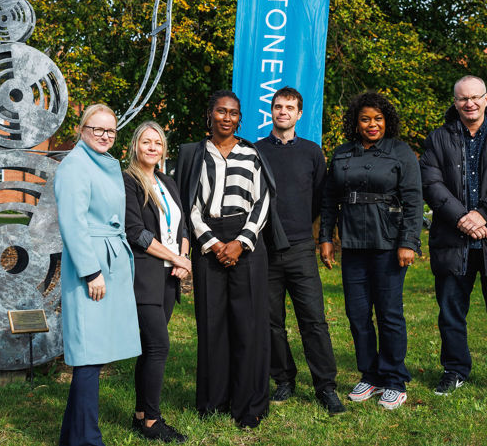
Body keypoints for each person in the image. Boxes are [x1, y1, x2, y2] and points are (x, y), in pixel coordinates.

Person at [175, 90, 288, 429]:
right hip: (207, 241)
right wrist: (210, 242)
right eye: (221, 111)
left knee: (248, 325)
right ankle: (213, 401)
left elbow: (263, 201)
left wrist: (241, 241)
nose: (227, 117)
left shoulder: (251, 154)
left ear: (240, 118)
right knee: (212, 324)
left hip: (247, 243)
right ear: (209, 115)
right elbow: (188, 204)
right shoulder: (194, 154)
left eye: (233, 113)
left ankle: (249, 404)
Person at [419, 75, 487, 403]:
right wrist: (462, 219)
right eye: (462, 98)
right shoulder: (438, 138)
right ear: (455, 102)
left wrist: (481, 213)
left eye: (475, 97)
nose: (469, 103)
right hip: (453, 240)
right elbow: (431, 183)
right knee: (451, 312)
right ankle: (454, 370)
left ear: (486, 99)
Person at [318, 92, 423, 410]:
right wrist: (326, 238)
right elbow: (328, 199)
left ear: (387, 121)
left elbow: (414, 201)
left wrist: (408, 242)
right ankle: (371, 374)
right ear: (356, 122)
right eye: (366, 118)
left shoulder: (400, 152)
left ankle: (394, 379)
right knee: (358, 314)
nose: (372, 124)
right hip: (352, 245)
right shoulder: (342, 153)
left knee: (389, 314)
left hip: (389, 245)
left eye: (378, 118)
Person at [54, 104, 141, 446]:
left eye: (111, 130)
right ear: (82, 129)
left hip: (108, 260)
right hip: (91, 265)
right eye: (98, 129)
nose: (105, 136)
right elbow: (72, 223)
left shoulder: (102, 162)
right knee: (89, 354)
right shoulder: (75, 165)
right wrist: (92, 272)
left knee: (94, 355)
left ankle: (72, 437)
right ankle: (88, 440)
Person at [254, 87, 344, 415]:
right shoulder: (256, 150)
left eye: (290, 108)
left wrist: (322, 240)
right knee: (270, 322)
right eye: (278, 106)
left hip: (301, 248)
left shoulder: (312, 152)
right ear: (271, 110)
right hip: (264, 250)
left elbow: (322, 199)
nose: (283, 112)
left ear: (299, 113)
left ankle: (326, 387)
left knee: (314, 320)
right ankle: (284, 378)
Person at [123, 121, 192, 443]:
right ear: (135, 146)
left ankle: (139, 414)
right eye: (146, 142)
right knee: (159, 346)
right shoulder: (128, 181)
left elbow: (183, 227)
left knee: (151, 348)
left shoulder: (168, 181)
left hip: (168, 276)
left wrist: (182, 258)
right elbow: (135, 232)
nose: (152, 147)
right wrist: (175, 257)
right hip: (143, 275)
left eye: (158, 143)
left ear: (164, 149)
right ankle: (152, 421)